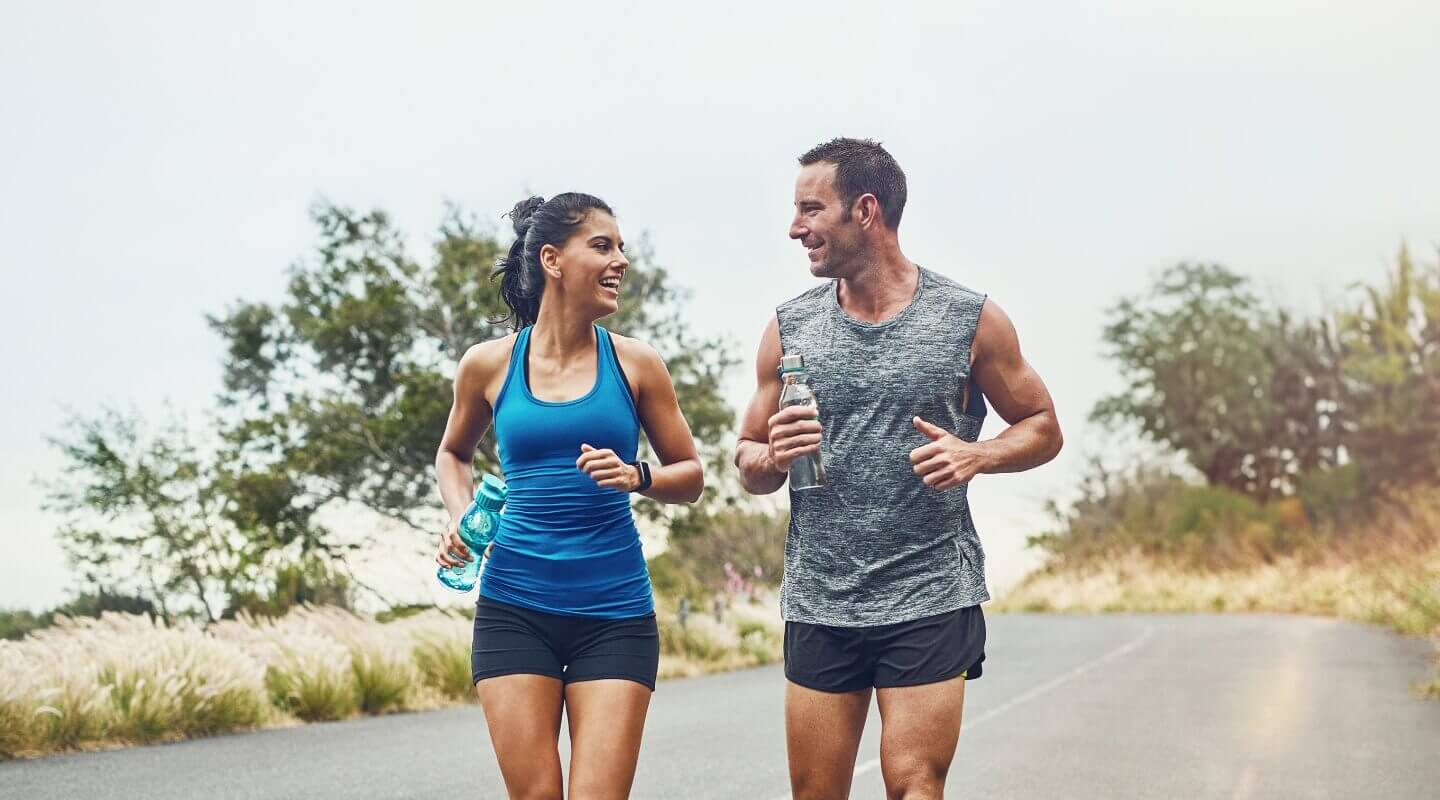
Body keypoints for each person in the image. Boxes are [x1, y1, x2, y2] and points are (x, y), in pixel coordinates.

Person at [735, 138, 1063, 800]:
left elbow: (1043, 426)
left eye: (809, 208)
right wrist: (772, 455)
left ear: (864, 210)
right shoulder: (788, 329)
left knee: (914, 782)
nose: (795, 227)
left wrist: (981, 454)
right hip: (822, 595)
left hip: (930, 589)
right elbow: (745, 458)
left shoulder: (968, 319)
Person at [435, 193, 704, 799]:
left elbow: (690, 473)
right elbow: (452, 454)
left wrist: (638, 476)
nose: (622, 261)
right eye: (603, 246)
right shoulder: (487, 365)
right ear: (553, 259)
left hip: (614, 612)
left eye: (622, 247)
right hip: (513, 607)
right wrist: (463, 516)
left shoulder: (636, 364)